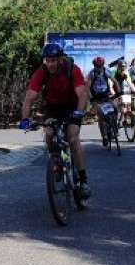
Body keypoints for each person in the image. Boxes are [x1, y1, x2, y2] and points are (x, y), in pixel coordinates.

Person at [18, 42, 91, 198]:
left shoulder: (72, 69)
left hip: (72, 106)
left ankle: (83, 180)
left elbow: (82, 94)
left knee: (72, 139)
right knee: (49, 134)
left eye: (53, 60)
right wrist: (25, 119)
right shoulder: (42, 72)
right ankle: (57, 162)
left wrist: (78, 112)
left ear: (60, 59)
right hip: (53, 108)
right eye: (47, 60)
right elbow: (29, 97)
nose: (50, 64)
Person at [86, 55, 121, 146]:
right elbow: (87, 88)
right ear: (94, 66)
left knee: (115, 107)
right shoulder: (92, 73)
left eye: (100, 66)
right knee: (101, 115)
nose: (99, 68)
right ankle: (104, 137)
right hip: (96, 97)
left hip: (106, 94)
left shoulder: (106, 71)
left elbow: (115, 82)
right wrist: (91, 98)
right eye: (97, 66)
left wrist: (118, 92)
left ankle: (115, 126)